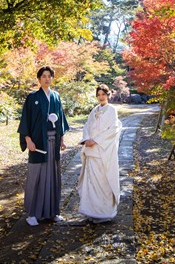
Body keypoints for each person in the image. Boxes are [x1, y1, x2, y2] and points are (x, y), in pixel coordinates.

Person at [18, 66, 69, 226]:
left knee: (53, 176)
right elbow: (26, 119)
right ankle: (32, 213)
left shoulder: (56, 96)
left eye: (49, 76)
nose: (47, 79)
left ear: (52, 78)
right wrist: (28, 140)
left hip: (53, 143)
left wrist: (61, 139)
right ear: (39, 79)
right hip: (38, 143)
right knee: (36, 177)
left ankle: (52, 212)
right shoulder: (32, 97)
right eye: (44, 76)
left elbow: (60, 119)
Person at [77, 84, 122, 223]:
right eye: (99, 95)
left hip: (103, 150)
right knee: (91, 182)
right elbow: (87, 126)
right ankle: (91, 211)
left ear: (108, 95)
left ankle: (104, 212)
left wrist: (95, 140)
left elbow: (112, 129)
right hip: (91, 151)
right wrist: (86, 139)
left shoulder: (111, 110)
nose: (101, 97)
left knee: (103, 181)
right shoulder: (94, 110)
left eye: (103, 94)